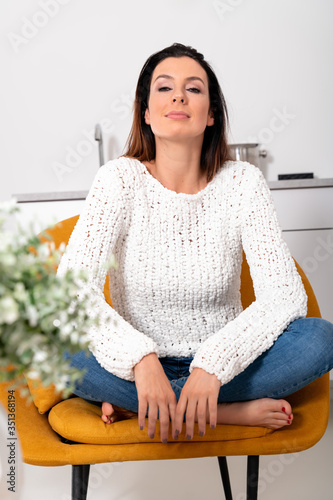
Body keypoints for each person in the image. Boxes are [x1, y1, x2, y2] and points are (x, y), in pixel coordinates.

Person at [57, 43, 333, 444]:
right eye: (164, 87)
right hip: (137, 369)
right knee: (44, 339)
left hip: (227, 369)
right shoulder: (118, 179)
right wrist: (141, 359)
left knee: (318, 339)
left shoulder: (243, 183)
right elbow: (72, 292)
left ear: (211, 114)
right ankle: (221, 414)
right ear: (147, 113)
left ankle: (152, 409)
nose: (179, 96)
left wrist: (212, 366)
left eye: (195, 89)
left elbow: (284, 296)